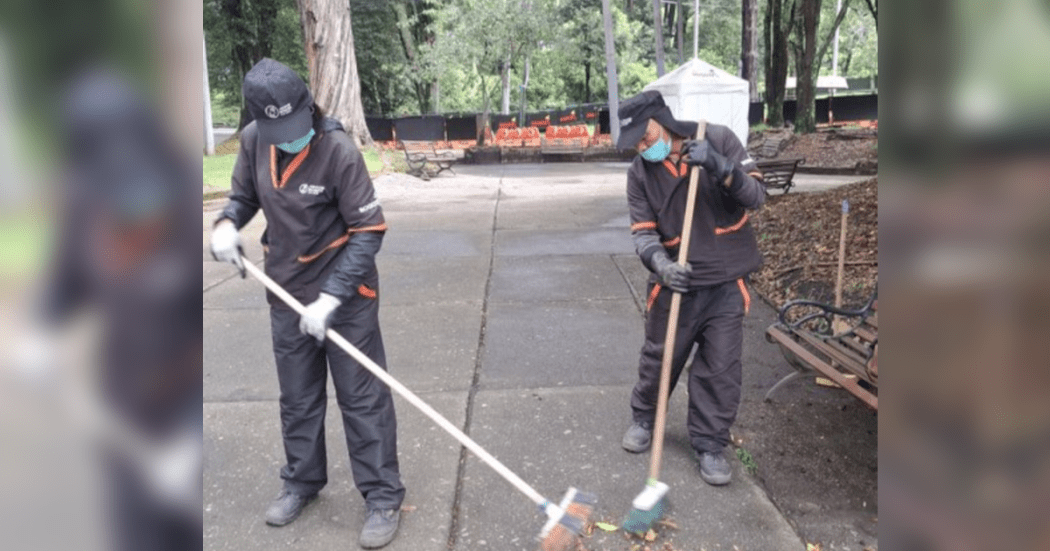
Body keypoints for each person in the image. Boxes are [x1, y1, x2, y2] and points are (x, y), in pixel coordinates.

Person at [209, 58, 405, 548]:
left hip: (346, 295)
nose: (292, 137)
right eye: (280, 131)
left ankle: (382, 495)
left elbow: (369, 230)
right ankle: (302, 481)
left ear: (307, 105)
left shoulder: (338, 150)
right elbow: (244, 196)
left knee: (362, 398)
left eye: (297, 124)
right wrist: (227, 223)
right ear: (259, 122)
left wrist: (331, 297)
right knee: (297, 398)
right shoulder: (255, 141)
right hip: (287, 291)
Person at [616, 90, 766, 486]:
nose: (643, 147)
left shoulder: (718, 138)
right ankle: (644, 418)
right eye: (635, 143)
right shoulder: (639, 173)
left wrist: (720, 166)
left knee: (721, 367)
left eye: (646, 136)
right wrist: (662, 265)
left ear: (663, 120)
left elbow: (756, 196)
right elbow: (643, 234)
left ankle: (710, 443)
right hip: (675, 285)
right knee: (660, 357)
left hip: (726, 282)